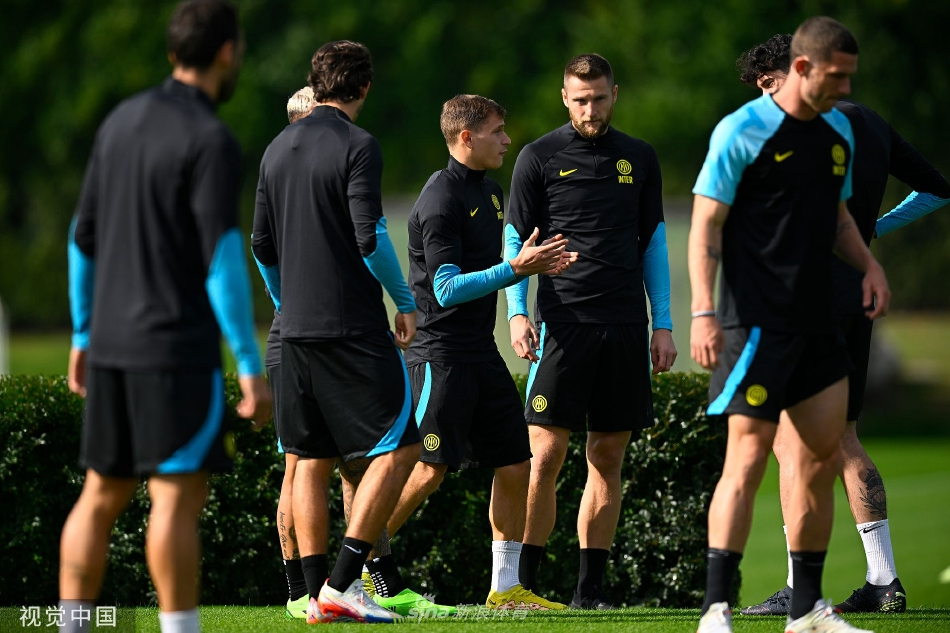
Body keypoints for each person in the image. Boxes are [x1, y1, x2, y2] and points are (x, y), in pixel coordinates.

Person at [62, 2, 271, 633]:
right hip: (175, 352)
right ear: (228, 52)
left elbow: (81, 238)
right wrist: (249, 362)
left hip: (112, 345)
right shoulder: (210, 138)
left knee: (99, 495)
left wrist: (83, 332)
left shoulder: (119, 122)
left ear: (174, 50)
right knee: (175, 500)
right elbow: (220, 256)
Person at [734, 34, 950, 618]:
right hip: (853, 295)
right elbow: (937, 188)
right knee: (843, 437)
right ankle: (884, 580)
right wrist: (872, 230)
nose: (764, 99)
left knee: (787, 439)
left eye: (768, 85)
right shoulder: (871, 121)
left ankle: (798, 588)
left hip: (803, 301)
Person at [690, 16, 891, 633]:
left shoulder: (838, 131)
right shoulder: (741, 131)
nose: (846, 89)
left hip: (819, 324)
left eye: (851, 77)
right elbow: (705, 226)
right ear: (801, 68)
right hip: (753, 326)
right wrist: (702, 312)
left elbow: (839, 219)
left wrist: (869, 265)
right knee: (748, 460)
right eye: (836, 76)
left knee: (818, 462)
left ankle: (806, 611)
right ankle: (715, 610)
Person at [379, 94, 576, 611]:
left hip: (480, 353)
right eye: (498, 131)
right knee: (427, 470)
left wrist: (537, 262)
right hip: (439, 356)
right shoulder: (440, 198)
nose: (508, 140)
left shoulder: (489, 191)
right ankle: (357, 573)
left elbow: (503, 259)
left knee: (514, 464)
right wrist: (516, 270)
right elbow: (445, 290)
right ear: (466, 137)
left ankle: (505, 589)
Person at [251, 40, 421, 624]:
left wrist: (286, 303)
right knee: (401, 448)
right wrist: (405, 302)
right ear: (364, 86)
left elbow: (261, 246)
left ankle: (312, 594)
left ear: (317, 82)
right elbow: (369, 238)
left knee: (309, 458)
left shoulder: (276, 148)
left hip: (293, 330)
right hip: (351, 327)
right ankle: (342, 584)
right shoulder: (359, 144)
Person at [504, 53, 676, 609]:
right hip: (563, 324)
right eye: (580, 100)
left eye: (600, 98)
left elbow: (654, 244)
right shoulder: (537, 157)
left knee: (607, 456)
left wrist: (663, 324)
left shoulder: (640, 158)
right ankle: (521, 587)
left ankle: (589, 593)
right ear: (564, 98)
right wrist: (517, 313)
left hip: (625, 325)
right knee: (545, 453)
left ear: (614, 94)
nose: (591, 109)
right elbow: (516, 243)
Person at [266, 85, 315, 620]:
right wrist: (287, 305)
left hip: (311, 331)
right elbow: (263, 251)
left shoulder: (289, 175)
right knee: (298, 465)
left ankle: (355, 583)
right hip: (295, 335)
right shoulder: (286, 179)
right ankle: (299, 589)